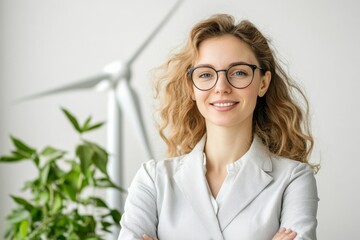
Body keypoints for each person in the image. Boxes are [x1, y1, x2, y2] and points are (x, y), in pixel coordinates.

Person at [118, 14, 319, 240]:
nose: (221, 87)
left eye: (239, 72)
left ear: (263, 82)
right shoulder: (153, 179)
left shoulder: (294, 178)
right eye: (205, 74)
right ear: (191, 87)